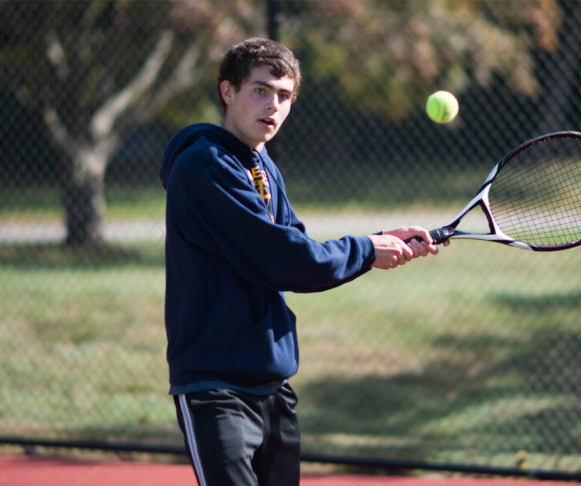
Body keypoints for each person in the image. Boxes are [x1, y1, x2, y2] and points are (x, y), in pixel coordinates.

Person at [159, 37, 443, 486]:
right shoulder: (205, 166)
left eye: (284, 95)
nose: (273, 105)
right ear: (227, 92)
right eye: (260, 90)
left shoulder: (262, 163)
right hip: (215, 388)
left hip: (272, 384)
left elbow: (298, 248)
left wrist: (382, 241)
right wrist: (368, 249)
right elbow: (284, 261)